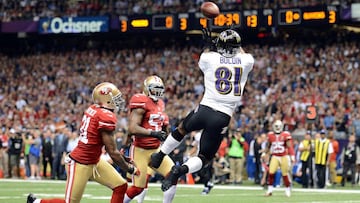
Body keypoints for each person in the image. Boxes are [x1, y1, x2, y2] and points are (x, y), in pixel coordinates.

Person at [150, 29, 254, 192]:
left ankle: (160, 154)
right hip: (223, 115)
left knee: (182, 129)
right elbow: (240, 52)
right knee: (204, 157)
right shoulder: (247, 60)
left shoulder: (209, 58)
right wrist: (233, 37)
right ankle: (179, 171)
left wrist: (208, 44)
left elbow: (207, 54)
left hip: (204, 109)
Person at [27, 82, 140, 203]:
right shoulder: (105, 116)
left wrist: (121, 157)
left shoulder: (93, 109)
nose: (119, 102)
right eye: (115, 98)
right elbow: (112, 151)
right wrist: (130, 169)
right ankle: (37, 202)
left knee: (120, 186)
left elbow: (108, 147)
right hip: (79, 163)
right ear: (106, 100)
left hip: (94, 161)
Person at [123, 75, 176, 203]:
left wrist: (165, 132)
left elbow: (162, 126)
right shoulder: (140, 100)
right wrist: (154, 133)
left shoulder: (161, 103)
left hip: (156, 149)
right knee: (137, 188)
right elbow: (132, 128)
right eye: (154, 88)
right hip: (140, 150)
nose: (157, 91)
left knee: (173, 174)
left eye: (159, 89)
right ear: (147, 89)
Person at [263, 120, 295, 197]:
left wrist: (292, 155)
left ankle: (287, 189)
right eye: (276, 126)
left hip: (284, 156)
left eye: (279, 126)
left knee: (285, 174)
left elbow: (289, 146)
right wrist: (265, 153)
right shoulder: (270, 135)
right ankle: (270, 190)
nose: (277, 128)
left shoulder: (285, 135)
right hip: (275, 156)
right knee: (271, 172)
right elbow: (268, 146)